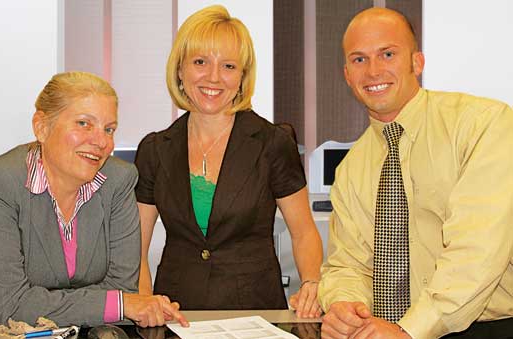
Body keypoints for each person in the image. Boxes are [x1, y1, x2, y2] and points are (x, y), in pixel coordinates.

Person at [318, 7, 513, 339]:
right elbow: (347, 264)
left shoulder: (483, 124)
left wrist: (409, 330)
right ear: (347, 74)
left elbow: (477, 252)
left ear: (417, 62)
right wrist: (344, 306)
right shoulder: (351, 169)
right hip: (385, 331)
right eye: (359, 60)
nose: (373, 71)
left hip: (486, 328)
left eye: (388, 54)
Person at [135, 5, 323, 318]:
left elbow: (303, 232)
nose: (213, 77)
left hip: (256, 314)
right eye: (200, 62)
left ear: (242, 77)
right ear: (180, 69)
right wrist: (144, 305)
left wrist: (312, 282)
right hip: (177, 314)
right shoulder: (155, 150)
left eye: (228, 66)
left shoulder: (272, 143)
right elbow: (136, 250)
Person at [0, 71, 187, 328]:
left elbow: (121, 287)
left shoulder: (119, 180)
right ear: (41, 126)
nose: (101, 141)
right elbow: (13, 304)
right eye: (84, 124)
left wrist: (115, 302)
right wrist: (119, 304)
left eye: (109, 129)